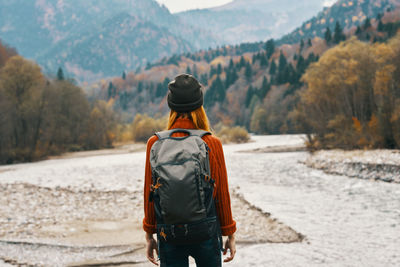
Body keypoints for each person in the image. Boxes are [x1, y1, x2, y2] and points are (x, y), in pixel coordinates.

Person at [143, 74, 236, 266]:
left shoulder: (155, 143)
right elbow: (221, 194)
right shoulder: (210, 142)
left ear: (171, 106)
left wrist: (150, 234)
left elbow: (150, 192)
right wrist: (229, 233)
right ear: (199, 106)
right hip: (206, 231)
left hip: (168, 233)